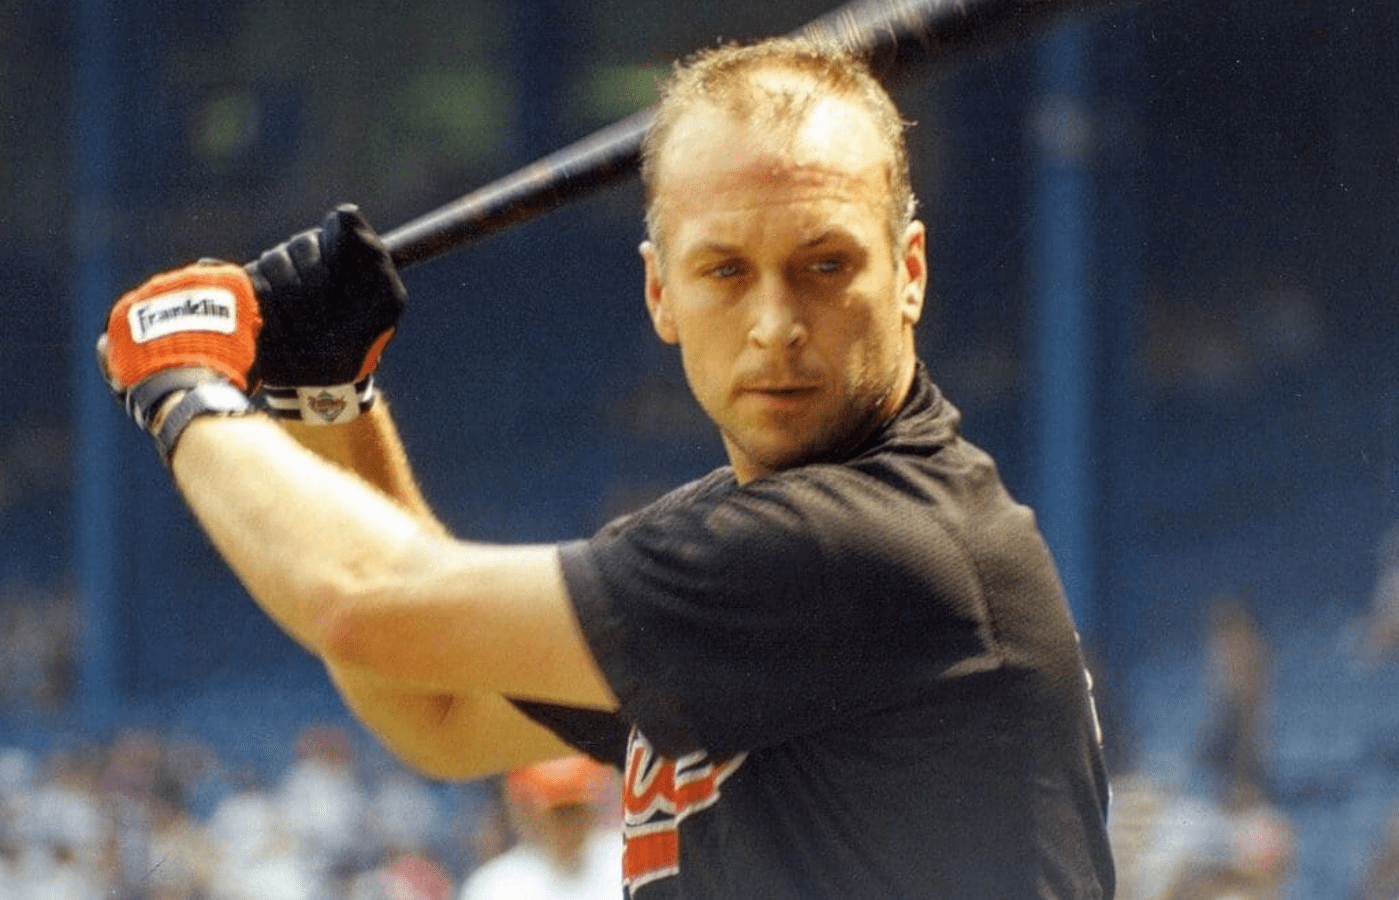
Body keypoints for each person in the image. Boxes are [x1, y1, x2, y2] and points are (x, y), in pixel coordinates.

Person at [98, 36, 1114, 898]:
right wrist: (327, 397)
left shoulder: (873, 543)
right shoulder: (730, 548)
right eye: (724, 269)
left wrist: (187, 391)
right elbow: (436, 710)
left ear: (910, 275)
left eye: (825, 263)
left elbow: (361, 600)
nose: (774, 325)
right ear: (659, 293)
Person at [458, 756, 620, 900]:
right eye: (558, 812)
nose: (568, 822)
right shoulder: (494, 886)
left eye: (575, 808)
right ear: (530, 812)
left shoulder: (624, 861)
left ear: (592, 809)